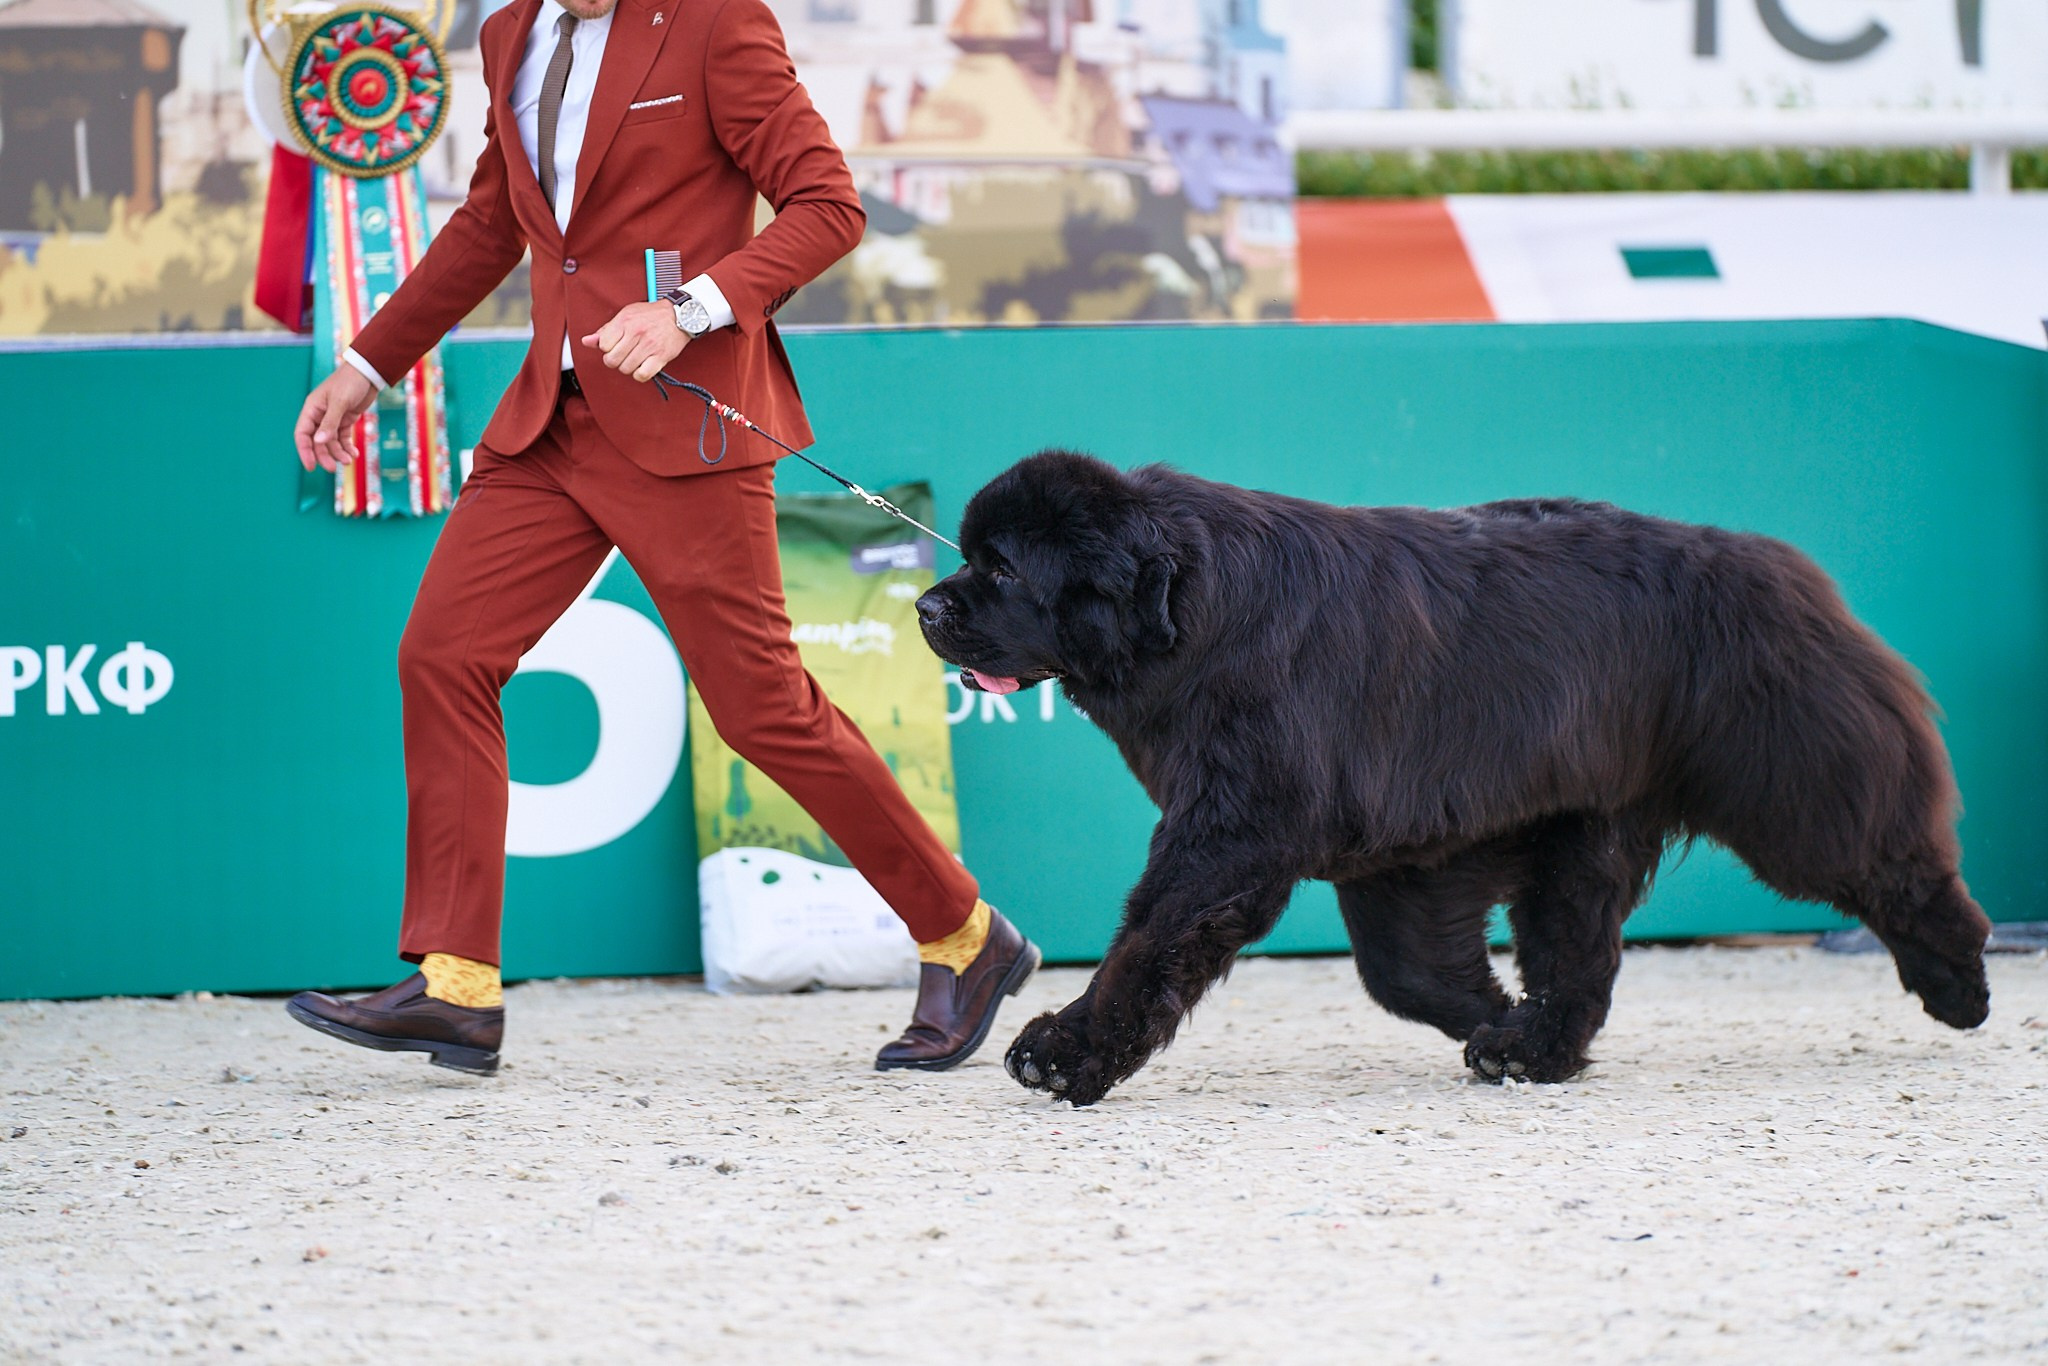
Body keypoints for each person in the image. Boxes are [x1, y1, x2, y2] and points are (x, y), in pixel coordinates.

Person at [284, 0, 1038, 1078]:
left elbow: (828, 206)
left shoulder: (719, 23)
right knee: (443, 655)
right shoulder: (509, 37)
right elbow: (494, 222)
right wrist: (369, 364)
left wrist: (691, 307)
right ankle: (455, 983)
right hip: (549, 419)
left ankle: (967, 936)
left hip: (687, 421)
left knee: (760, 708)